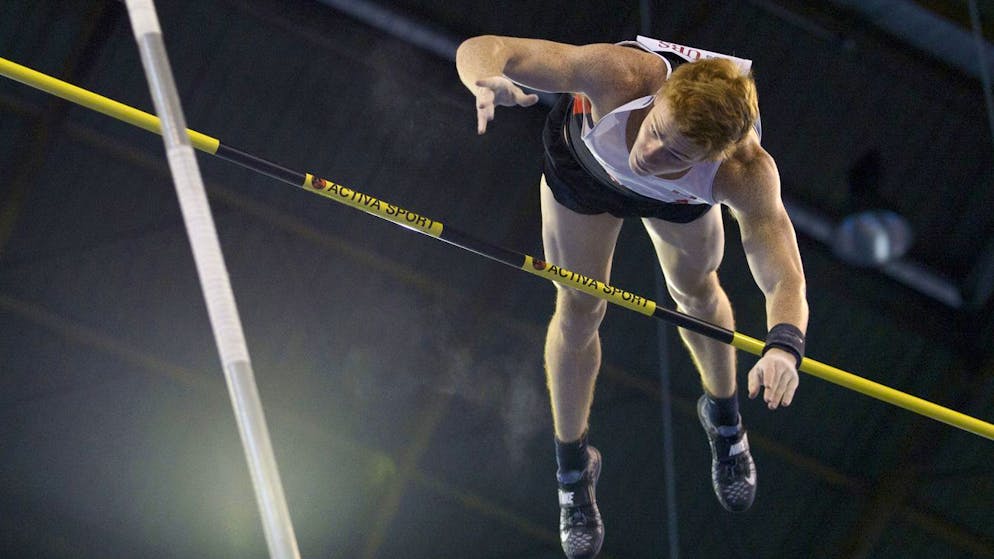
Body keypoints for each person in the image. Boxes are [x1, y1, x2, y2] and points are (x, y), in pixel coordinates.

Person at [456, 34, 809, 559]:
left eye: (676, 154)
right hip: (585, 171)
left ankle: (726, 419)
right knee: (579, 309)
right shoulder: (620, 76)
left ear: (717, 156)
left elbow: (784, 279)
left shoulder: (744, 173)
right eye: (657, 130)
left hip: (677, 200)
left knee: (696, 292)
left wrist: (783, 347)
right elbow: (490, 46)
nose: (650, 153)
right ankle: (573, 469)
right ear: (660, 98)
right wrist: (482, 78)